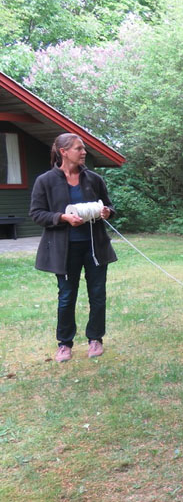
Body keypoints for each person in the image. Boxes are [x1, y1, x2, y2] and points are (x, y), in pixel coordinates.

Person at [29, 133, 116, 362]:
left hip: (95, 247)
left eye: (84, 148)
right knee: (67, 296)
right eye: (79, 148)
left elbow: (109, 206)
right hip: (64, 250)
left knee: (97, 294)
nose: (84, 152)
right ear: (64, 152)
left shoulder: (94, 179)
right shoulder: (45, 181)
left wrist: (107, 212)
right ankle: (64, 344)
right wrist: (63, 217)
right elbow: (36, 214)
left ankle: (95, 339)